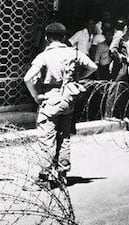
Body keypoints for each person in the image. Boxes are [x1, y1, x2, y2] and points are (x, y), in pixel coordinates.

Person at [23, 22, 97, 189]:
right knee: (64, 137)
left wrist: (36, 96)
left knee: (46, 139)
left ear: (47, 38)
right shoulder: (73, 52)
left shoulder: (44, 56)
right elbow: (93, 66)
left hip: (50, 98)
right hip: (68, 99)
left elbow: (28, 78)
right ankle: (62, 174)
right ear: (64, 37)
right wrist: (75, 79)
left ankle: (44, 177)